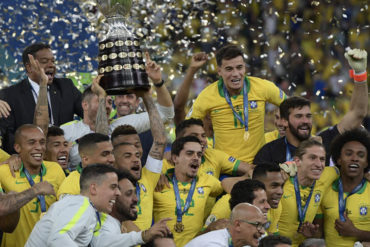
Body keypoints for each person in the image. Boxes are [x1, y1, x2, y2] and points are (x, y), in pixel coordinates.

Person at [254, 48, 368, 166]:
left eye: (308, 116)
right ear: (284, 121)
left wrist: (360, 74)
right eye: (299, 116)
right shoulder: (269, 153)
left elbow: (357, 113)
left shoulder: (323, 143)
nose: (305, 121)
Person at [62, 55, 174, 169]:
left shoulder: (121, 125)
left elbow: (165, 114)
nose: (106, 106)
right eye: (101, 100)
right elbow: (99, 140)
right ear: (85, 105)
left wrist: (158, 82)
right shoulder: (66, 131)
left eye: (110, 102)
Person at [189, 44, 286, 163]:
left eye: (239, 67)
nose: (236, 74)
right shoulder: (206, 96)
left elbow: (293, 107)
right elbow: (186, 128)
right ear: (219, 71)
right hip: (225, 167)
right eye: (229, 69)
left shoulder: (263, 87)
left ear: (245, 68)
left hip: (259, 164)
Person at [0, 43, 83, 153]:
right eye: (44, 61)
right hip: (29, 158)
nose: (51, 65)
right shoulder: (9, 95)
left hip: (65, 155)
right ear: (29, 67)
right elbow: (9, 137)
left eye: (53, 61)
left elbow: (88, 113)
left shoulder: (66, 87)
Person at [0, 124, 66, 247]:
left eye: (42, 142)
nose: (39, 147)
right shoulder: (4, 171)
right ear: (17, 147)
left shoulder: (55, 169)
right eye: (32, 143)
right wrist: (35, 190)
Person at [25, 164, 121, 246]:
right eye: (113, 187)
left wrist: (135, 237)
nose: (118, 193)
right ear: (93, 189)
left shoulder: (86, 208)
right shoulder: (82, 206)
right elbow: (57, 239)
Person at [153, 136, 224, 246]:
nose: (196, 158)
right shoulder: (158, 182)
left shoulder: (207, 180)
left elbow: (230, 188)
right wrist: (156, 176)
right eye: (189, 153)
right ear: (175, 158)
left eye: (199, 155)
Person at [113, 88, 167, 231]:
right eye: (127, 153)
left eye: (137, 148)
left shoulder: (147, 177)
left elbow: (160, 140)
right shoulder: (107, 184)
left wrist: (146, 96)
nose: (135, 155)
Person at [113, 52, 174, 164]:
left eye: (130, 96)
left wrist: (158, 82)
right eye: (120, 96)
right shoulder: (107, 123)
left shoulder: (147, 125)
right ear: (115, 100)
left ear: (137, 102)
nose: (124, 100)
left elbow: (167, 113)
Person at [277, 139, 339, 246]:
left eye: (322, 159)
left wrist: (366, 174)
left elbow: (345, 169)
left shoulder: (326, 176)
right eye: (312, 158)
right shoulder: (282, 180)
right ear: (297, 161)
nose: (319, 164)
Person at [315, 129, 370, 247]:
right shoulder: (325, 190)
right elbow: (319, 232)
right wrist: (312, 234)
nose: (354, 158)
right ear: (339, 159)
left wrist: (355, 233)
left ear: (366, 162)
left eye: (361, 155)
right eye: (349, 154)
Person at [91, 169, 172, 247]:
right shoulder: (103, 222)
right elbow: (100, 243)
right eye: (129, 194)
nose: (136, 199)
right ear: (113, 198)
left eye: (135, 193)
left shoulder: (116, 224)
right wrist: (143, 236)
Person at [219, 163, 285, 234]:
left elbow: (271, 237)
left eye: (282, 186)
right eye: (274, 186)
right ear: (257, 184)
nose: (281, 192)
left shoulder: (275, 204)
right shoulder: (227, 204)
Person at [57, 133, 114, 199]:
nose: (112, 159)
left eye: (112, 153)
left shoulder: (116, 177)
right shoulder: (70, 191)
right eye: (104, 154)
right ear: (86, 159)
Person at [185, 203, 267, 247]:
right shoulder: (214, 244)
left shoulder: (243, 243)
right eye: (257, 225)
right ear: (238, 225)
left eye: (263, 226)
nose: (262, 231)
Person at [203, 179, 270, 233]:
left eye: (266, 201)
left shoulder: (262, 234)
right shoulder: (220, 232)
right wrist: (209, 229)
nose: (268, 206)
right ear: (245, 205)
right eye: (262, 202)